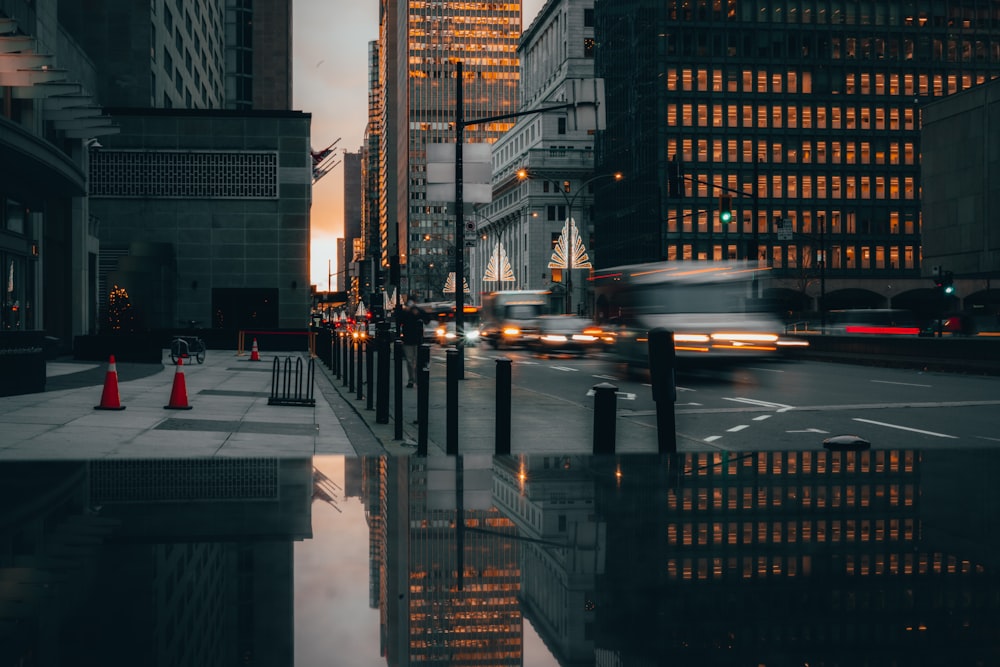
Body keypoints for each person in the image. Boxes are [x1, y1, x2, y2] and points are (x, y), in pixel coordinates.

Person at [400, 302, 425, 387]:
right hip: (409, 340)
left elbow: (426, 319)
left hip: (416, 340)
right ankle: (412, 379)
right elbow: (399, 319)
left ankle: (415, 379)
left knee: (415, 361)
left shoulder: (418, 313)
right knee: (410, 361)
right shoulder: (406, 314)